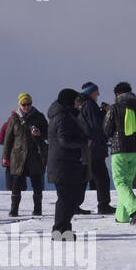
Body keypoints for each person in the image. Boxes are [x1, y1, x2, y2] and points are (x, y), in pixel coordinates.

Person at [46, 89, 89, 241]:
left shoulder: (67, 115)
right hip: (62, 165)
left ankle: (64, 229)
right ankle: (59, 231)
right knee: (65, 198)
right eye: (76, 100)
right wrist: (83, 142)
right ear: (69, 101)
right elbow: (64, 140)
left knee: (72, 198)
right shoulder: (62, 117)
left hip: (68, 164)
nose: (78, 103)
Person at [102, 84, 136, 226]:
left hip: (119, 151)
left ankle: (135, 207)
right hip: (135, 151)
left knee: (120, 182)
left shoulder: (114, 108)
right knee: (126, 183)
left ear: (118, 94)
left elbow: (107, 130)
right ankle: (122, 216)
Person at [2, 93, 47, 217]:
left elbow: (48, 133)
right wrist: (5, 157)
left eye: (29, 104)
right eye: (24, 104)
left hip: (35, 155)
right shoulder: (14, 118)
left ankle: (38, 209)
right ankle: (14, 210)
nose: (26, 107)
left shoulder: (39, 116)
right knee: (16, 184)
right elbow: (8, 139)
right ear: (19, 104)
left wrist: (40, 134)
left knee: (37, 183)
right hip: (18, 156)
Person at [77, 82, 116, 215]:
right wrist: (105, 113)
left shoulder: (84, 105)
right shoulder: (89, 105)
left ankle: (74, 204)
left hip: (90, 147)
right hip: (94, 147)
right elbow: (97, 125)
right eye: (96, 92)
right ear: (90, 92)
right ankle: (103, 204)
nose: (98, 94)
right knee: (102, 177)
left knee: (86, 176)